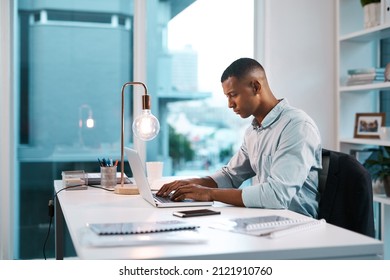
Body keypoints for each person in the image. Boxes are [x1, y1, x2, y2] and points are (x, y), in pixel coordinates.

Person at [157, 57, 322, 218]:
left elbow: (276, 196)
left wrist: (209, 194)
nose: (230, 104)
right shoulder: (253, 131)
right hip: (265, 217)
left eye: (233, 95)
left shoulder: (297, 126)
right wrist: (191, 184)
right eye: (227, 97)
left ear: (255, 87)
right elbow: (230, 176)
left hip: (296, 223)